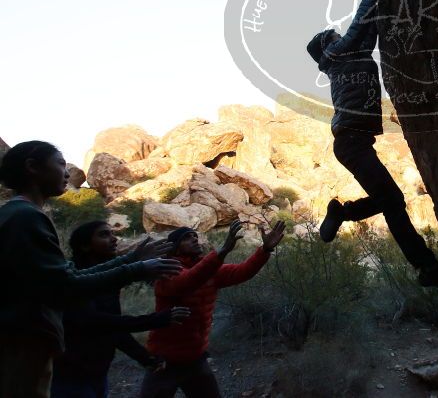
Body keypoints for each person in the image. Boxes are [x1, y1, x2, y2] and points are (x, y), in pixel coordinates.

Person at [306, 0, 438, 296]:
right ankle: (427, 267)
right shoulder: (340, 52)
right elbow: (363, 19)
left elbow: (368, 32)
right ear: (328, 46)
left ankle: (344, 213)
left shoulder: (345, 57)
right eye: (333, 35)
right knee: (394, 202)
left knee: (390, 200)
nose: (339, 35)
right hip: (352, 142)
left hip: (353, 142)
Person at [0, 140, 183, 398]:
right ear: (32, 167)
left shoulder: (17, 214)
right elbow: (66, 288)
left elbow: (67, 277)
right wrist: (137, 269)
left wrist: (132, 262)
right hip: (24, 344)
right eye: (60, 164)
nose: (67, 173)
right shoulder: (26, 217)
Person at [139, 218, 286, 398]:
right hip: (165, 360)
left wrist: (265, 250)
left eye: (195, 236)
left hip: (195, 358)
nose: (195, 239)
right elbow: (188, 281)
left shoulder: (209, 270)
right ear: (175, 247)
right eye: (187, 238)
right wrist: (222, 251)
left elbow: (242, 271)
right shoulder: (166, 270)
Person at [51, 221, 193, 398]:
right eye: (104, 235)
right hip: (70, 376)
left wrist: (144, 357)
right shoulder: (77, 282)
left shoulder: (109, 281)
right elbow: (98, 322)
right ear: (85, 246)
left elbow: (113, 329)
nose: (114, 239)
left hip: (96, 373)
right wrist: (155, 320)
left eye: (112, 233)